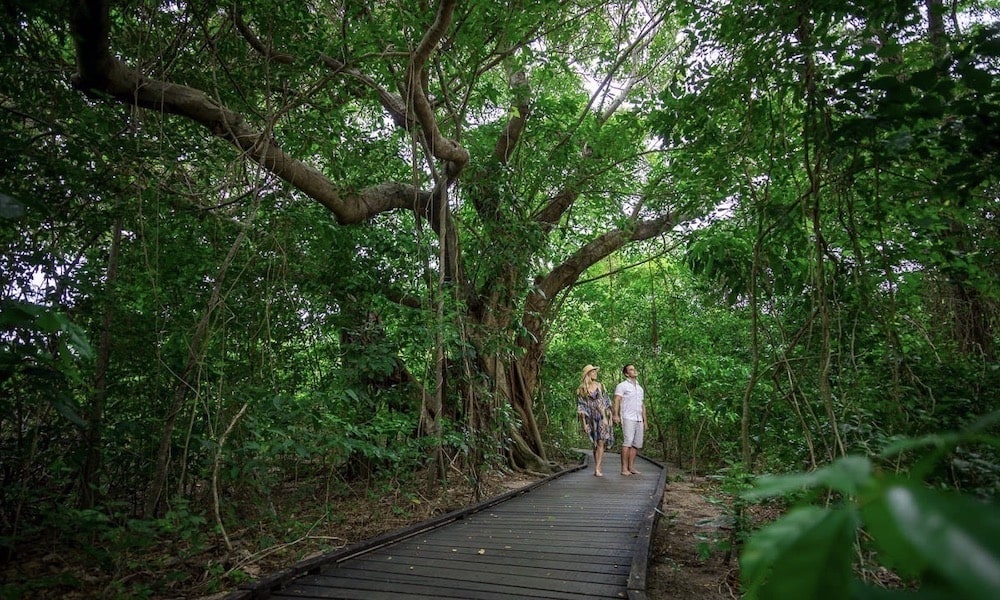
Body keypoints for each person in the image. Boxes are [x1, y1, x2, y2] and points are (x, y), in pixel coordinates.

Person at [576, 364, 614, 476]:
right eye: (592, 372)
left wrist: (609, 417)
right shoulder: (582, 389)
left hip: (601, 417)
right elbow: (581, 407)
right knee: (594, 443)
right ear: (588, 374)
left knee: (601, 441)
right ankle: (598, 465)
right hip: (590, 418)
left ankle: (597, 468)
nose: (595, 373)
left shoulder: (601, 386)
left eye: (595, 371)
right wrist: (584, 424)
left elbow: (606, 402)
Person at [612, 363, 646, 476]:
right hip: (627, 417)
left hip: (639, 418)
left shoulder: (640, 388)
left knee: (636, 444)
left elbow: (642, 405)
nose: (634, 371)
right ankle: (624, 468)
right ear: (626, 373)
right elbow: (617, 400)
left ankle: (631, 467)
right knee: (628, 442)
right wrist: (615, 415)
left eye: (634, 369)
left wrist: (645, 421)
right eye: (631, 370)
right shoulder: (622, 386)